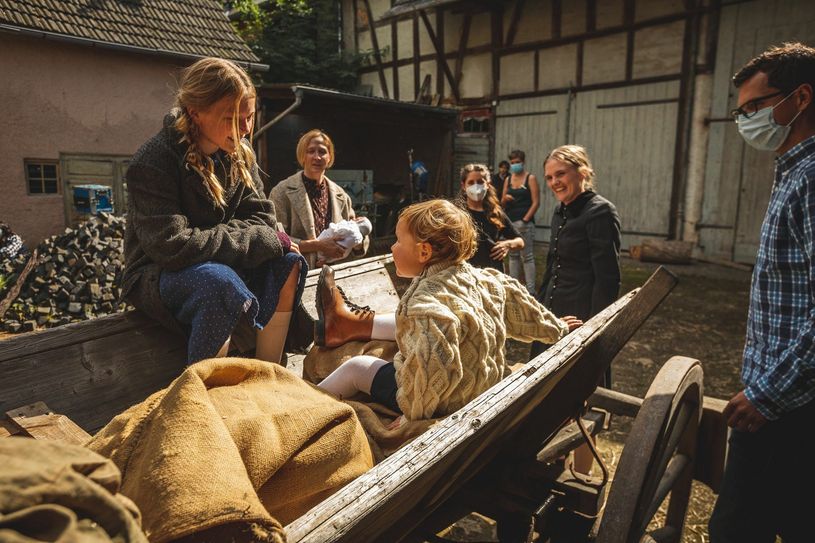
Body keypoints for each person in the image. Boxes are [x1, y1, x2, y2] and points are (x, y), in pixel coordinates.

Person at [314, 199, 582, 425]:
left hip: (449, 401)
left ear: (424, 251)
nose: (392, 247)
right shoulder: (489, 280)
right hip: (482, 384)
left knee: (357, 368)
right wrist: (557, 328)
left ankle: (305, 408)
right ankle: (348, 324)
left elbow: (434, 369)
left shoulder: (427, 307)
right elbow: (525, 313)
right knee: (403, 325)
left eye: (397, 241)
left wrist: (413, 415)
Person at [121, 57, 306, 366]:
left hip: (220, 262)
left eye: (249, 117)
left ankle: (270, 370)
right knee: (218, 282)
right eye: (232, 118)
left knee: (289, 262)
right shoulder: (153, 160)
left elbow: (263, 219)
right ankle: (205, 397)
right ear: (196, 113)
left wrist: (258, 238)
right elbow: (173, 246)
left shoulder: (239, 154)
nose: (245, 129)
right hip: (157, 274)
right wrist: (257, 239)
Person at [708, 42, 815, 543]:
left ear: (799, 98)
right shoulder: (791, 171)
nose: (745, 119)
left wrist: (768, 395)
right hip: (774, 397)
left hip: (790, 408)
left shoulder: (812, 179)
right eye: (741, 111)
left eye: (754, 107)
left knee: (739, 529)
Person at [531, 144, 621, 476]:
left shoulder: (600, 212)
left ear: (582, 172)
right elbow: (552, 267)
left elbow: (608, 279)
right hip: (554, 317)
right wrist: (538, 313)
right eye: (549, 177)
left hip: (583, 317)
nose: (554, 182)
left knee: (582, 401)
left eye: (561, 174)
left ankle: (581, 477)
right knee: (549, 399)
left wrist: (595, 329)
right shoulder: (560, 211)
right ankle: (552, 467)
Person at [270, 130, 369, 269]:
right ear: (302, 155)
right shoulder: (281, 192)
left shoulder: (341, 195)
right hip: (297, 275)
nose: (317, 157)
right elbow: (274, 238)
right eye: (311, 151)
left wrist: (357, 241)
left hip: (336, 274)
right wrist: (318, 245)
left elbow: (356, 239)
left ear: (329, 158)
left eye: (322, 151)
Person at [459, 163, 523, 272]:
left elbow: (520, 241)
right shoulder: (457, 213)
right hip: (466, 274)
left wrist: (507, 244)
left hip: (493, 273)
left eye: (480, 182)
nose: (476, 186)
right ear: (463, 186)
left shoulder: (495, 213)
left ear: (488, 184)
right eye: (471, 182)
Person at [501, 149, 540, 294]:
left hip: (525, 224)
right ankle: (514, 288)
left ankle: (531, 291)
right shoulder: (508, 180)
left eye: (517, 162)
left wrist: (525, 219)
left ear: (523, 162)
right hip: (510, 224)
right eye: (512, 163)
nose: (515, 165)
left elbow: (536, 202)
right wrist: (505, 199)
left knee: (527, 257)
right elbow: (501, 203)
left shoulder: (530, 178)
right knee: (513, 256)